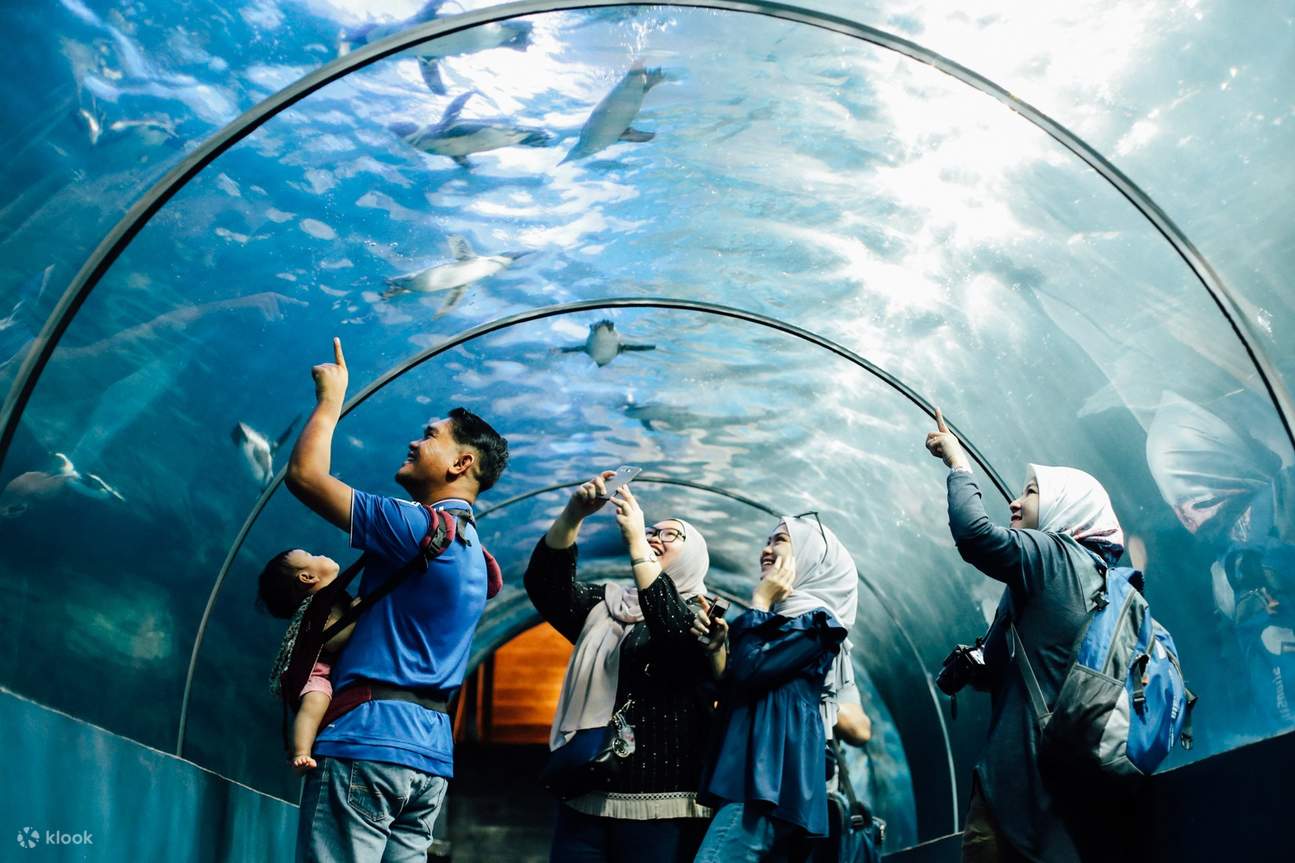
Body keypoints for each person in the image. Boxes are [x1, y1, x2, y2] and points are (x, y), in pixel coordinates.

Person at [285, 337, 509, 863]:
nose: (414, 443)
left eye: (430, 437)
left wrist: (331, 399)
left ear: (462, 463)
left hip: (368, 741)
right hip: (429, 759)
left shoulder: (417, 526)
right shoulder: (481, 558)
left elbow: (305, 479)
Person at [925, 408, 1132, 863]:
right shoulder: (1094, 574)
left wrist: (959, 465)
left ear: (1067, 506)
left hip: (1015, 787)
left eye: (1032, 492)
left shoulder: (1056, 555)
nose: (1016, 503)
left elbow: (974, 534)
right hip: (1071, 795)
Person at [524, 473, 722, 863]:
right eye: (652, 530)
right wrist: (573, 514)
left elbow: (673, 633)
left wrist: (636, 544)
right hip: (586, 787)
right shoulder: (608, 606)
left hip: (659, 801)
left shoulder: (702, 616)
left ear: (695, 555)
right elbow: (547, 585)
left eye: (671, 535)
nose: (655, 536)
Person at [695, 514, 857, 863]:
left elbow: (752, 672)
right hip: (750, 777)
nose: (766, 550)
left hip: (766, 783)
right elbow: (734, 686)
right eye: (767, 541)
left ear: (812, 557)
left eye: (781, 541)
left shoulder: (818, 623)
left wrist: (760, 603)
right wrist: (718, 650)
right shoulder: (779, 622)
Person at [255, 548, 360, 773]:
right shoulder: (320, 605)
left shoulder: (329, 597)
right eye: (312, 556)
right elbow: (331, 641)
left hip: (327, 668)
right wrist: (355, 616)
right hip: (316, 672)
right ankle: (301, 752)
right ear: (307, 578)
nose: (320, 555)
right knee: (315, 701)